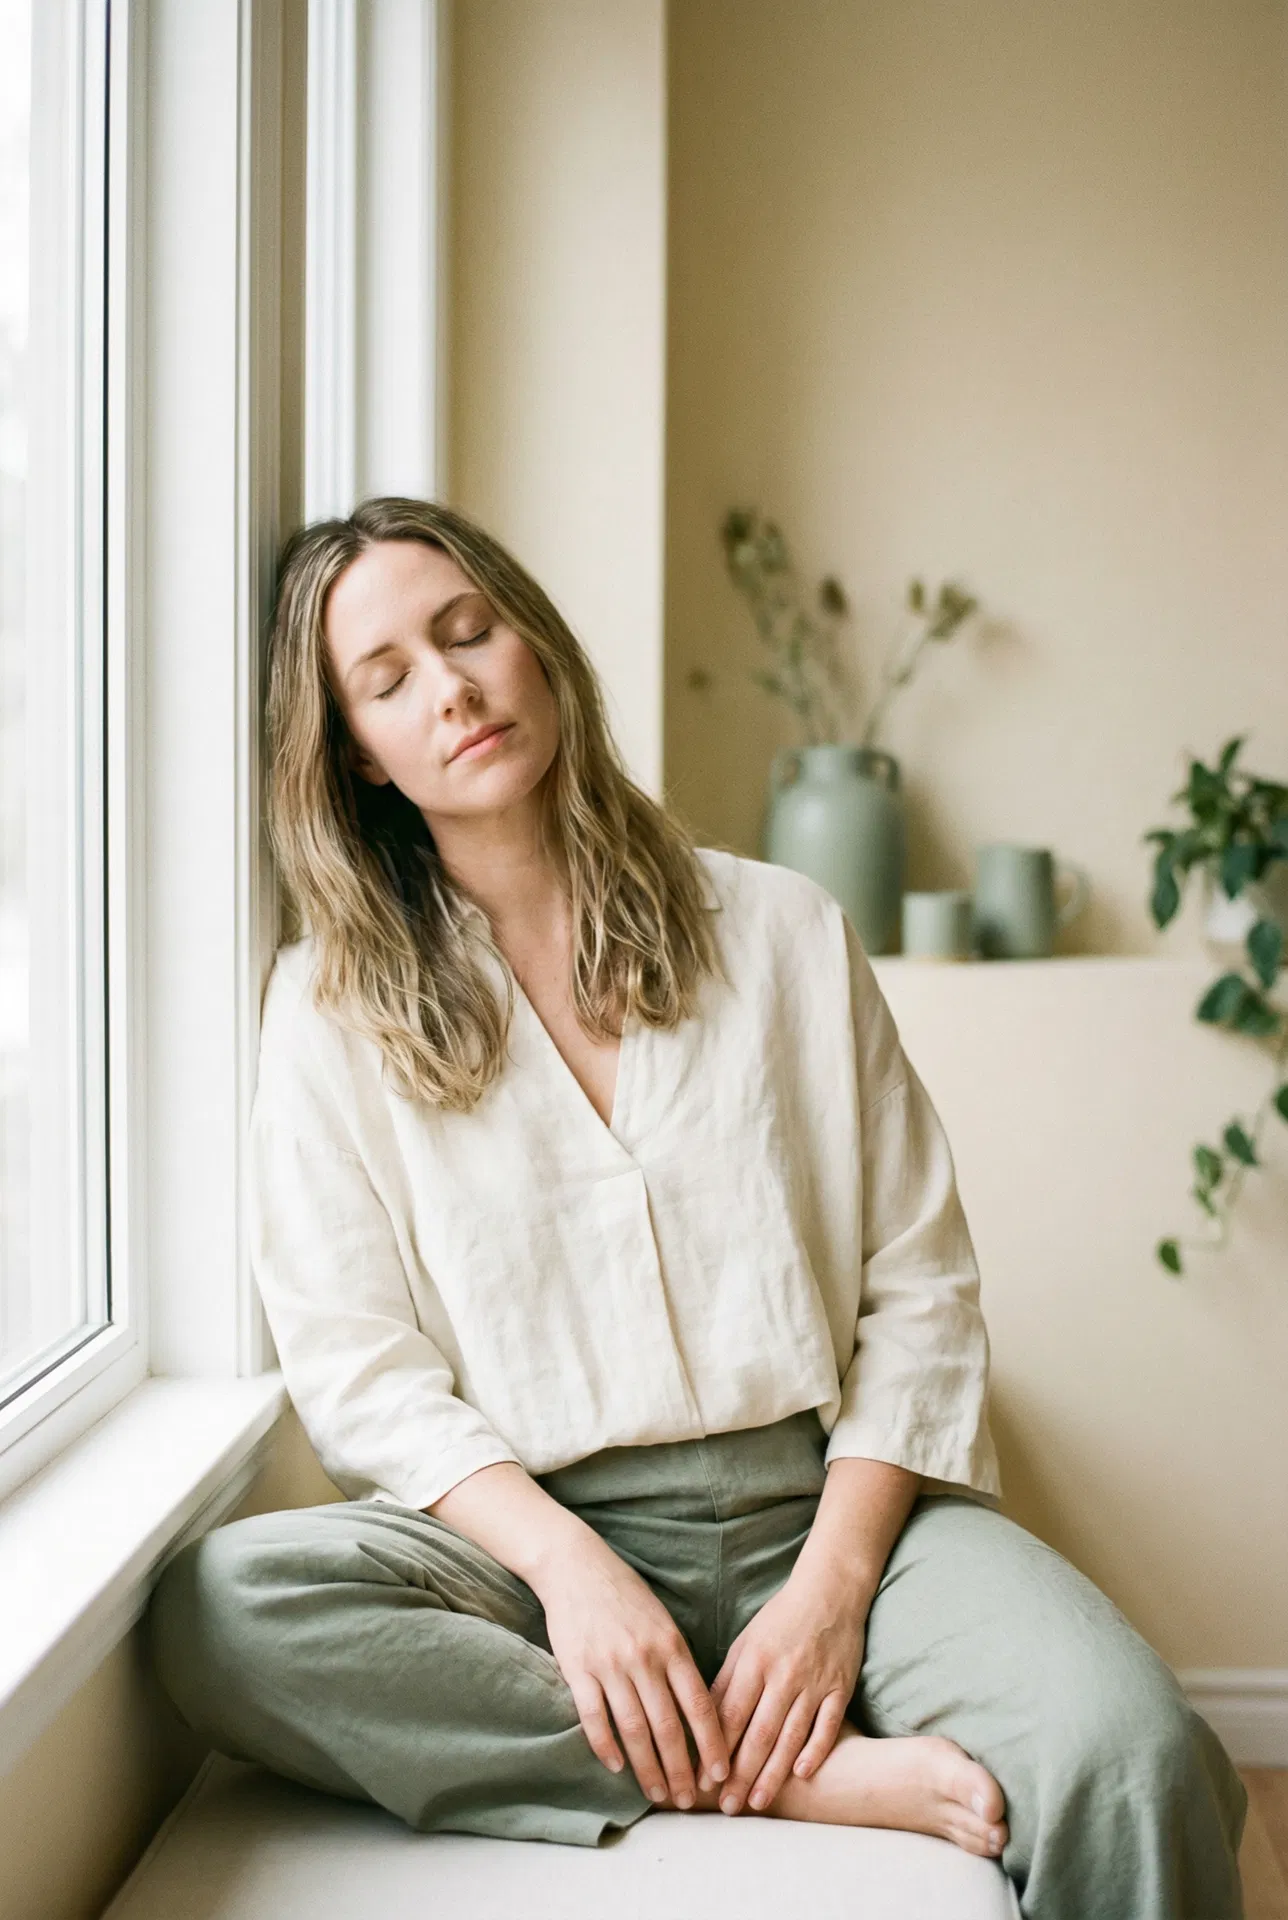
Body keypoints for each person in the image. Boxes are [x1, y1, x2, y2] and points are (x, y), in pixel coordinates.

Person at [147, 497, 1247, 1918]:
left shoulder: (782, 931)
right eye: (390, 676)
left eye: (470, 630)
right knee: (225, 1611)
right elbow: (359, 1364)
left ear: (534, 644)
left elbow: (918, 1287)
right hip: (529, 1547)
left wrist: (835, 1590)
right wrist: (575, 1578)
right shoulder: (327, 1008)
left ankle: (739, 1726)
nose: (456, 687)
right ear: (355, 754)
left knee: (1136, 1753)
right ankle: (777, 1770)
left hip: (830, 1506)